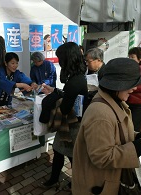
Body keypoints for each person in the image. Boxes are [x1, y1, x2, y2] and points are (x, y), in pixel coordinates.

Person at [72, 58, 141, 195]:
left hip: (107, 179)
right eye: (131, 84)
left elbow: (119, 133)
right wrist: (140, 145)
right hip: (99, 185)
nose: (135, 88)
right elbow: (102, 157)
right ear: (116, 85)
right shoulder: (101, 114)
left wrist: (139, 136)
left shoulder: (114, 100)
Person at [38, 42, 88, 190]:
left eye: (60, 58)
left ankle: (77, 183)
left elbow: (65, 108)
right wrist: (57, 91)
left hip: (73, 126)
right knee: (59, 151)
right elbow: (69, 97)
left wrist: (56, 97)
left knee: (73, 157)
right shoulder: (78, 77)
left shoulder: (74, 81)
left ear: (67, 59)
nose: (59, 61)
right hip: (71, 124)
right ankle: (55, 179)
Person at [127, 47, 141, 132]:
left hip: (140, 103)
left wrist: (134, 88)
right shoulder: (129, 69)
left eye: (133, 57)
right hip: (128, 101)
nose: (130, 59)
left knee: (134, 126)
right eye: (129, 57)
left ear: (140, 58)